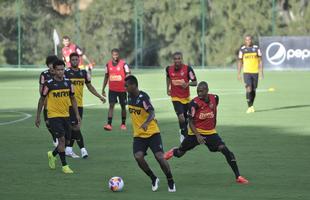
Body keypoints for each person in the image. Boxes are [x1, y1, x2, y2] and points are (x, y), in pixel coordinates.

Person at [164, 81, 249, 184]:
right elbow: (190, 121)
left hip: (210, 133)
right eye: (198, 91)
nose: (199, 94)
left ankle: (238, 176)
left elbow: (214, 109)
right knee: (180, 153)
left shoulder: (215, 98)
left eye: (201, 91)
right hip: (195, 133)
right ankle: (173, 151)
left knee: (225, 150)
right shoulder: (194, 104)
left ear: (207, 90)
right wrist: (198, 135)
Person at [125, 75, 176, 192]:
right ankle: (153, 178)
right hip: (139, 135)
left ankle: (170, 180)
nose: (125, 88)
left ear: (133, 86)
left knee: (160, 157)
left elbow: (152, 112)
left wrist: (147, 123)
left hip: (152, 133)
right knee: (138, 157)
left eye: (126, 86)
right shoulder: (129, 96)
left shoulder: (143, 98)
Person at [35, 59, 81, 174]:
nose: (61, 72)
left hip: (66, 115)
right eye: (58, 70)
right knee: (61, 140)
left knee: (66, 141)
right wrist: (38, 116)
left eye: (62, 69)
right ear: (54, 71)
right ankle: (65, 166)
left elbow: (73, 99)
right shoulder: (49, 84)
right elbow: (42, 99)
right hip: (53, 116)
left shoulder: (68, 83)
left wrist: (77, 114)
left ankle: (53, 154)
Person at [64, 53, 106, 158]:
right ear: (70, 61)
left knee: (76, 127)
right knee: (75, 127)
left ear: (79, 61)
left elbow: (90, 87)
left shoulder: (83, 73)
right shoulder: (66, 73)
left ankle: (68, 149)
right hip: (68, 104)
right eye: (72, 60)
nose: (74, 61)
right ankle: (83, 150)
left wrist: (99, 96)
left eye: (76, 59)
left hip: (79, 105)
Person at [166, 52, 197, 142]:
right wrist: (168, 88)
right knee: (181, 117)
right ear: (173, 60)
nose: (177, 60)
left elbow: (195, 82)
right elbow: (168, 77)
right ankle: (183, 132)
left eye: (179, 58)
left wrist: (188, 84)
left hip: (186, 98)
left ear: (182, 59)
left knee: (187, 118)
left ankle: (184, 129)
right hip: (175, 97)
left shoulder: (188, 69)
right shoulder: (169, 69)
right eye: (175, 59)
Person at [102, 48, 130, 131]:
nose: (115, 56)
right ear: (111, 55)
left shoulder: (124, 64)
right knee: (111, 106)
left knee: (123, 106)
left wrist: (127, 86)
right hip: (112, 89)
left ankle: (123, 124)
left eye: (116, 55)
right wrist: (103, 89)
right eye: (114, 55)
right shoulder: (108, 65)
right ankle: (109, 124)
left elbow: (128, 74)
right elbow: (106, 76)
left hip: (122, 90)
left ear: (119, 55)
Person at [237, 35, 263, 113]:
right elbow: (240, 62)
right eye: (246, 40)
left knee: (254, 90)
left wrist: (261, 72)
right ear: (245, 41)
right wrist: (238, 73)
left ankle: (251, 105)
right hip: (246, 72)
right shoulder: (242, 50)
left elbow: (260, 60)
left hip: (255, 72)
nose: (248, 41)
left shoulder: (256, 48)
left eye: (249, 40)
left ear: (251, 40)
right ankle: (249, 106)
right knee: (248, 88)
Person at [39, 55, 59, 147]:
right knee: (48, 123)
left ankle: (59, 137)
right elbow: (41, 88)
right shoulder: (44, 74)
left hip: (58, 102)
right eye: (50, 64)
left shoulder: (59, 73)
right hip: (47, 103)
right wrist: (43, 97)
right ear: (47, 64)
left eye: (53, 63)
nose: (51, 65)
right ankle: (54, 136)